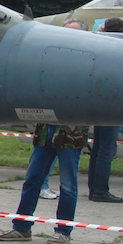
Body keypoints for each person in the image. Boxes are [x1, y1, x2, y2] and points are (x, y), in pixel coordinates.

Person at [0, 124, 88, 244]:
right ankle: (22, 228)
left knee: (68, 186)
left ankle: (63, 231)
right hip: (45, 134)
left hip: (70, 135)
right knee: (31, 181)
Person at [37, 18, 87, 200]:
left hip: (71, 133)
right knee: (33, 179)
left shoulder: (88, 62)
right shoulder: (52, 58)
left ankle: (63, 228)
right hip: (47, 128)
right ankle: (22, 225)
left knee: (68, 184)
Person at [88, 17, 123, 203]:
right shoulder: (121, 51)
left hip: (98, 104)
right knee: (106, 149)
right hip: (112, 105)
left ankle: (94, 188)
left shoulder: (100, 47)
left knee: (98, 148)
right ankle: (100, 190)